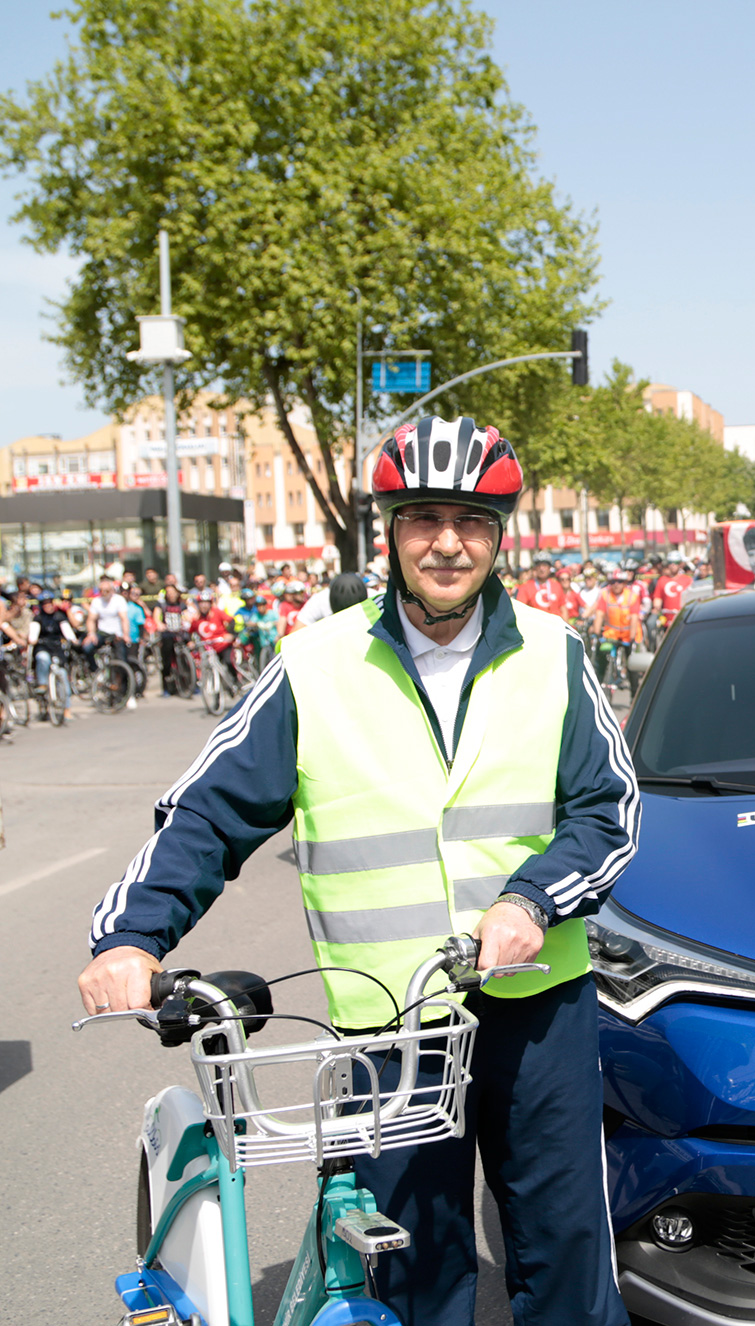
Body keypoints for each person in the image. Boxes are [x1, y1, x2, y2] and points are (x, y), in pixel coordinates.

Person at [79, 415, 638, 1326]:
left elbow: (608, 811)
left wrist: (534, 899)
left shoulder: (555, 654)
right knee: (408, 1282)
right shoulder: (314, 664)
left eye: (472, 519)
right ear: (389, 530)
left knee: (570, 1266)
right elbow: (206, 813)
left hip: (539, 1016)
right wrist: (133, 936)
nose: (448, 542)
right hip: (387, 1029)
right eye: (423, 517)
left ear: (501, 535)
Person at [84, 574, 136, 709]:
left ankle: (127, 694)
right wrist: (91, 634)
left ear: (112, 590)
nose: (104, 594)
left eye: (107, 591)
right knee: (87, 648)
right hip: (102, 632)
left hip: (117, 634)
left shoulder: (119, 600)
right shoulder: (96, 602)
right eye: (102, 591)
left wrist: (125, 634)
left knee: (122, 661)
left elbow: (124, 618)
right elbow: (91, 619)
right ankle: (98, 673)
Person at [28, 590, 77, 720]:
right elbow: (33, 633)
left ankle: (67, 708)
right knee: (42, 658)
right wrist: (32, 639)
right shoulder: (38, 618)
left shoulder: (59, 616)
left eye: (50, 603)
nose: (48, 606)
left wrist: (73, 639)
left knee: (61, 674)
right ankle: (42, 683)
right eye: (45, 604)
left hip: (56, 648)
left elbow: (67, 631)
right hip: (43, 647)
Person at [592, 566, 644, 674]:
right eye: (613, 581)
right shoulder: (605, 594)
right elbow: (599, 614)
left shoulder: (632, 596)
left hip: (629, 634)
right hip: (611, 634)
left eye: (619, 581)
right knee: (601, 657)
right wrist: (597, 633)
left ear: (625, 583)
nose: (616, 584)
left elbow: (634, 619)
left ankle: (634, 687)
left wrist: (632, 638)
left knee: (632, 664)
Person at [652, 554, 693, 628]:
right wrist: (657, 608)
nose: (673, 565)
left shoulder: (688, 579)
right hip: (667, 620)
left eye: (676, 562)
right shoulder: (662, 580)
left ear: (680, 564)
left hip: (684, 618)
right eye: (670, 563)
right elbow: (658, 597)